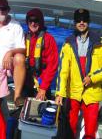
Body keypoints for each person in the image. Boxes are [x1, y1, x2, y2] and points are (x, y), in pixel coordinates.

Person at [55, 8, 102, 139]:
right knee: (69, 126)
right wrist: (59, 93)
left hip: (92, 93)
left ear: (89, 22)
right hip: (73, 93)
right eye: (78, 20)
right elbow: (63, 72)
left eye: (84, 20)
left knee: (90, 130)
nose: (81, 22)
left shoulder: (100, 42)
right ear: (75, 22)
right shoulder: (67, 44)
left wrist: (92, 78)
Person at [24, 8, 59, 100]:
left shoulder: (49, 39)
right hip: (25, 81)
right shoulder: (23, 37)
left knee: (38, 110)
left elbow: (52, 65)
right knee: (23, 108)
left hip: (41, 83)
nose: (33, 23)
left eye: (36, 20)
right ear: (27, 22)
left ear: (41, 22)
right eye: (30, 20)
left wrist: (43, 88)